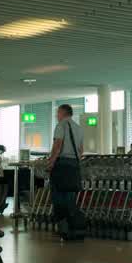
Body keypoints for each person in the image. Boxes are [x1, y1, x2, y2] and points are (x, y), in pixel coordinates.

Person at [46, 103, 86, 241]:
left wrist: (51, 162)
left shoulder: (61, 126)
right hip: (74, 165)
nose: (57, 116)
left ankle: (63, 229)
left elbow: (57, 146)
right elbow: (81, 151)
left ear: (63, 113)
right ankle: (74, 228)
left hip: (61, 165)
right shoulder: (79, 128)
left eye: (58, 113)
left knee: (58, 197)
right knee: (70, 198)